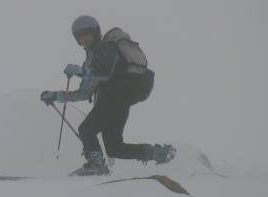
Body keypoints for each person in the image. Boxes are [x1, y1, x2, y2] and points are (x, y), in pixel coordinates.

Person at [41, 15, 175, 176]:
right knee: (114, 148)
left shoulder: (107, 47)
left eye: (86, 33)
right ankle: (157, 153)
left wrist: (80, 71)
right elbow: (85, 93)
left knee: (86, 129)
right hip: (118, 102)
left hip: (116, 95)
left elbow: (104, 74)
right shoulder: (90, 60)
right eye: (79, 35)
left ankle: (96, 165)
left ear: (96, 32)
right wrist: (56, 96)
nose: (83, 38)